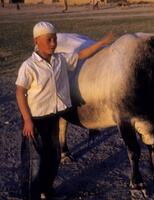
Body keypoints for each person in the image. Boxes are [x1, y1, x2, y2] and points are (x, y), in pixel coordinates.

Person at [15, 21, 113, 200]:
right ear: (36, 41)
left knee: (53, 159)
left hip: (53, 117)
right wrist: (27, 120)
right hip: (36, 120)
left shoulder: (60, 59)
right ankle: (31, 196)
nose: (53, 43)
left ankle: (47, 191)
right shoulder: (29, 66)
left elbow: (82, 54)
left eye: (54, 39)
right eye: (48, 40)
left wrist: (101, 43)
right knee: (34, 163)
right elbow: (20, 92)